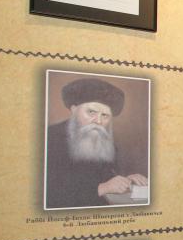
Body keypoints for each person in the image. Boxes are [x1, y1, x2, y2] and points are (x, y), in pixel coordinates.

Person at [45, 78, 148, 209]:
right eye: (91, 112)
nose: (98, 121)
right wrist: (102, 188)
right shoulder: (50, 138)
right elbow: (50, 193)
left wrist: (127, 180)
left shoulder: (106, 143)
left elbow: (108, 177)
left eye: (105, 115)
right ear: (74, 110)